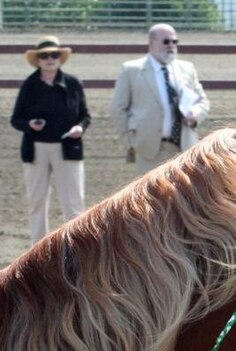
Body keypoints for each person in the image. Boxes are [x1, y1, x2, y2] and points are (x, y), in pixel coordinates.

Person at [11, 35, 91, 245]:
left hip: (68, 148)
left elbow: (85, 115)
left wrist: (79, 127)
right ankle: (37, 249)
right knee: (37, 202)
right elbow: (16, 119)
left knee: (73, 203)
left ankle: (76, 248)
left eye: (54, 55)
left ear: (60, 58)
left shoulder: (73, 84)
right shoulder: (29, 85)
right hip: (36, 149)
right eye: (44, 55)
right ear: (37, 60)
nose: (49, 59)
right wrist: (30, 125)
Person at [110, 23, 210, 175]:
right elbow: (118, 109)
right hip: (150, 151)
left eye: (174, 42)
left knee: (184, 197)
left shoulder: (187, 68)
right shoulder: (131, 70)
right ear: (151, 43)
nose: (171, 46)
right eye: (166, 42)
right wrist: (131, 141)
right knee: (152, 198)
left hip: (185, 148)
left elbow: (202, 101)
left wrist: (195, 114)